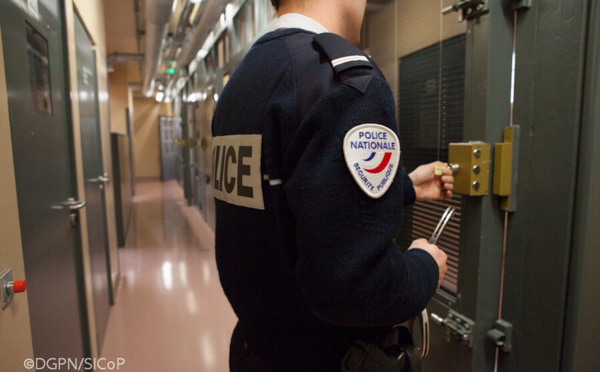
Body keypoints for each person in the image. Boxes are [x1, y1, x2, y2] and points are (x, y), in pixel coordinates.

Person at [211, 0, 454, 370]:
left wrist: (406, 187)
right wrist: (425, 267)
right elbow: (356, 288)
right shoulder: (343, 83)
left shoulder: (244, 81)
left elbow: (289, 198)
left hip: (258, 351)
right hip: (326, 358)